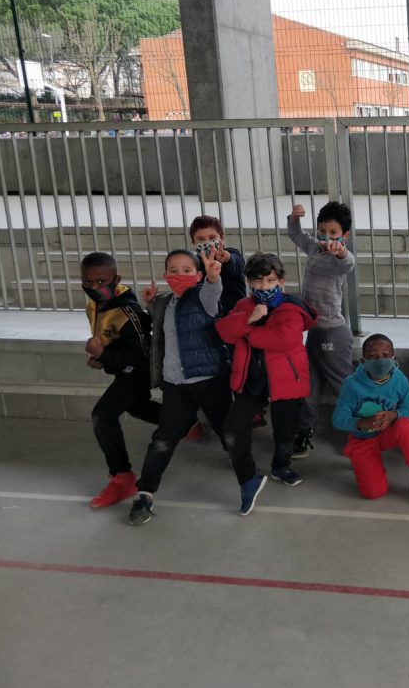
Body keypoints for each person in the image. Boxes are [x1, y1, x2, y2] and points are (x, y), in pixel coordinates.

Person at [128, 250, 231, 525]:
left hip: (208, 380)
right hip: (175, 383)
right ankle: (145, 492)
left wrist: (213, 278)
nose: (179, 275)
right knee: (163, 439)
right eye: (173, 270)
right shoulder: (164, 301)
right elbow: (166, 325)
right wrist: (150, 305)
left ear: (198, 275)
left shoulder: (203, 296)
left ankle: (246, 471)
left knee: (228, 430)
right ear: (165, 275)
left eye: (187, 270)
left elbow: (213, 295)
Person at [216, 253, 316, 515]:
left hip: (286, 381)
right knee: (232, 427)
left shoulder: (292, 307)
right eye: (258, 282)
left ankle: (281, 466)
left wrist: (247, 331)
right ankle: (248, 477)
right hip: (252, 381)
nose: (264, 287)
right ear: (249, 282)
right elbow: (224, 331)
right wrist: (248, 318)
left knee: (285, 432)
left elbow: (284, 340)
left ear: (281, 281)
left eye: (270, 281)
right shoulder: (243, 305)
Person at [81, 252, 161, 509]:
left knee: (103, 416)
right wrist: (102, 358)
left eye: (101, 282)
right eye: (88, 282)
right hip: (121, 368)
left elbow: (141, 357)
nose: (94, 287)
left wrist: (105, 356)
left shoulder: (129, 313)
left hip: (138, 372)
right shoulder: (94, 305)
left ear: (116, 280)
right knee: (137, 406)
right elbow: (110, 343)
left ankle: (122, 477)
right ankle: (185, 422)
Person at [285, 201, 356, 459]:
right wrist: (294, 218)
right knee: (308, 386)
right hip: (314, 332)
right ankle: (304, 431)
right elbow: (296, 235)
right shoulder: (315, 248)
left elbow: (348, 263)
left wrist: (341, 252)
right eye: (322, 231)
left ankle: (360, 433)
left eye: (333, 233)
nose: (326, 237)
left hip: (333, 333)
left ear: (344, 235)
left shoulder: (339, 260)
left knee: (342, 385)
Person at [332, 333, 409, 505]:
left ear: (394, 359)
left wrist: (395, 415)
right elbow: (338, 419)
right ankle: (363, 460)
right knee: (374, 492)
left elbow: (407, 408)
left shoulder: (400, 380)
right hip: (362, 439)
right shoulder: (351, 385)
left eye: (385, 355)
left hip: (387, 433)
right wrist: (361, 423)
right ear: (363, 361)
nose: (380, 361)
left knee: (407, 426)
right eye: (373, 356)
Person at [188, 215, 247, 316]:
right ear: (193, 243)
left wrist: (227, 260)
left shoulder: (233, 254)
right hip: (205, 319)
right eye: (201, 239)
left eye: (212, 238)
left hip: (234, 317)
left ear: (222, 239)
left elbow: (237, 265)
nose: (207, 242)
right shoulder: (192, 264)